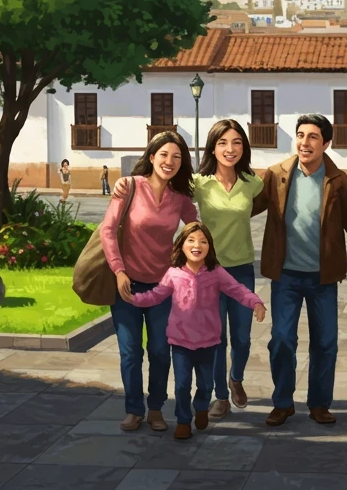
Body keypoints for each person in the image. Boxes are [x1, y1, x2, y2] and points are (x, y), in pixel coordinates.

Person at [253, 113, 347, 427]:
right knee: (282, 339)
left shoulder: (337, 180)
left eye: (312, 137)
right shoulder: (276, 174)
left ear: (325, 143)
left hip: (323, 277)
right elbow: (245, 205)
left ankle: (319, 404)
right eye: (300, 135)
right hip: (286, 275)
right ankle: (282, 403)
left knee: (325, 342)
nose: (304, 142)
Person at [129, 222, 266, 441]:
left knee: (205, 385)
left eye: (203, 241)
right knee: (182, 385)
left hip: (208, 341)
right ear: (181, 245)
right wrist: (134, 299)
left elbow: (237, 289)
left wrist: (255, 302)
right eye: (191, 240)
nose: (197, 245)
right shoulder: (173, 274)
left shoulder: (216, 273)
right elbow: (156, 295)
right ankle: (183, 421)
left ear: (210, 247)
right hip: (180, 342)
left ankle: (201, 408)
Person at [105, 131, 199, 433]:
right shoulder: (129, 187)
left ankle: (156, 407)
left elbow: (196, 231)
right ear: (151, 156)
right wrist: (119, 271)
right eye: (164, 155)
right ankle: (134, 409)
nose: (169, 161)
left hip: (162, 289)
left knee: (160, 350)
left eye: (177, 157)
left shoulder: (180, 198)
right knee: (130, 351)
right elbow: (107, 231)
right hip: (127, 286)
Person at [191, 119, 263, 418]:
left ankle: (236, 378)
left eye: (236, 142)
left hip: (242, 270)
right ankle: (221, 395)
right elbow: (163, 187)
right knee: (217, 338)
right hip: (209, 273)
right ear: (213, 147)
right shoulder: (199, 183)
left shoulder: (252, 183)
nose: (229, 149)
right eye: (222, 143)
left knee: (243, 338)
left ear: (243, 147)